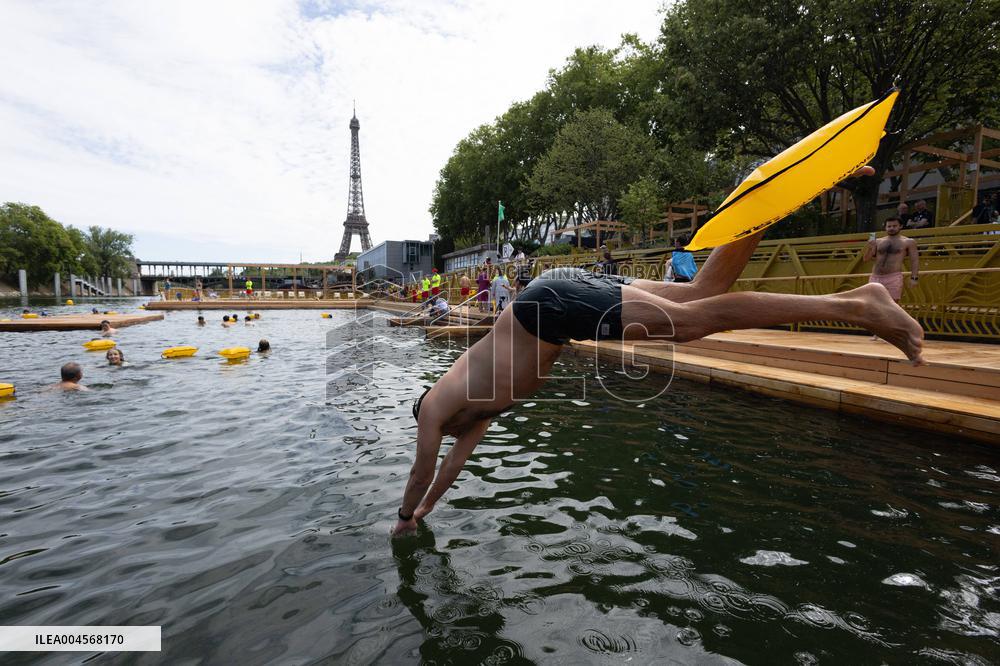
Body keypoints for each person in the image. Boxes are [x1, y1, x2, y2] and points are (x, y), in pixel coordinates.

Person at [392, 166, 926, 535]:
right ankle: (767, 192)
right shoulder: (474, 414)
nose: (442, 442)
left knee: (690, 323)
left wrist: (400, 513)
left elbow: (421, 472)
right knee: (700, 296)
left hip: (548, 308)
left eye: (435, 433)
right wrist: (422, 517)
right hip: (555, 303)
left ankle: (857, 308)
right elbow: (446, 474)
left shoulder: (438, 408)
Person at [863, 217, 920, 304]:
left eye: (894, 226)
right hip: (875, 276)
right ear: (885, 228)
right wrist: (870, 246)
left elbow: (914, 260)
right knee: (872, 304)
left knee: (892, 305)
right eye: (889, 226)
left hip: (893, 277)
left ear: (900, 226)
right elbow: (866, 259)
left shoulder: (908, 242)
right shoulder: (878, 241)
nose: (891, 228)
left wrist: (914, 278)